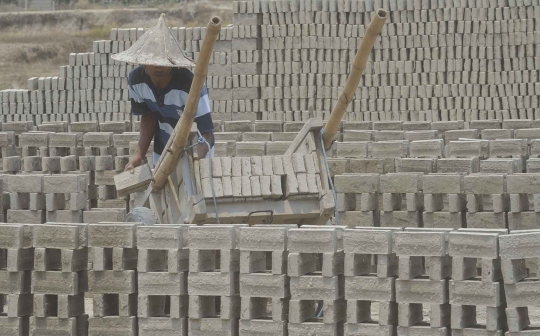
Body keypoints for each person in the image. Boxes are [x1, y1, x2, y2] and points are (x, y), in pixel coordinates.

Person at [111, 14, 214, 172]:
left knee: (192, 192)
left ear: (172, 62)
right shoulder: (136, 80)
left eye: (163, 63)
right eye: (153, 62)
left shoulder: (191, 85)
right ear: (143, 61)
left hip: (195, 151)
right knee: (164, 192)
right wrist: (140, 155)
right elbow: (149, 116)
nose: (158, 67)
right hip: (164, 149)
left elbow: (206, 132)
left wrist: (198, 164)